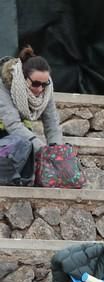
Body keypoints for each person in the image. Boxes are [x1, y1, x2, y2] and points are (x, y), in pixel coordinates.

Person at [0, 45, 63, 185]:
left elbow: (52, 123)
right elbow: (12, 125)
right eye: (35, 84)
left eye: (44, 84)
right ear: (23, 78)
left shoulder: (47, 90)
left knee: (26, 145)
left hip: (21, 137)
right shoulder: (3, 85)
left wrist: (58, 152)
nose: (40, 89)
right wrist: (43, 150)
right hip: (6, 136)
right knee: (24, 144)